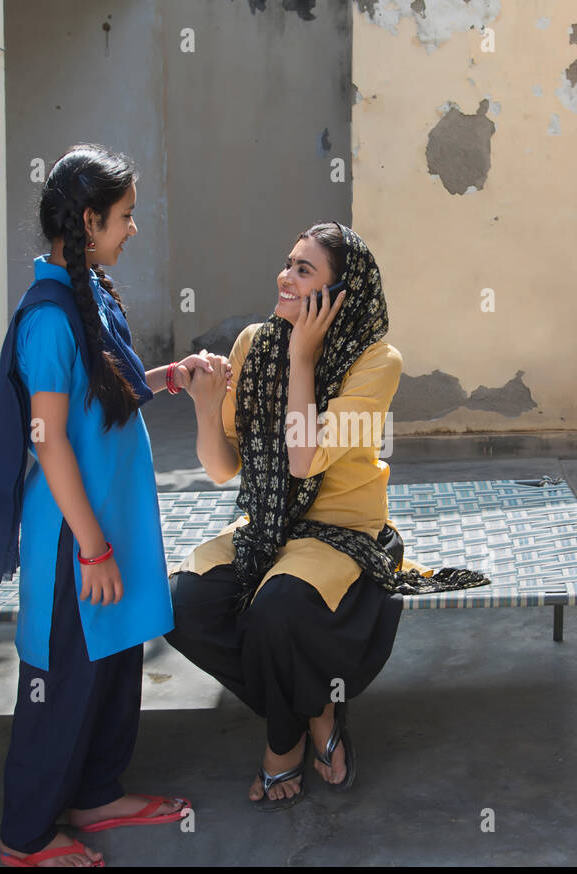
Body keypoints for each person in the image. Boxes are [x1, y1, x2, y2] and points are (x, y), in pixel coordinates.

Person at [0, 143, 229, 866]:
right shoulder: (48, 316)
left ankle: (96, 792)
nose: (133, 229)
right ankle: (25, 836)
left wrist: (172, 376)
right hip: (73, 533)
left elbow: (103, 389)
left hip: (110, 514)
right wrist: (92, 546)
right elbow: (50, 442)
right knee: (62, 676)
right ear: (87, 220)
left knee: (111, 657)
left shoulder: (92, 289)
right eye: (125, 217)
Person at [166, 222, 489, 810]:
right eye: (287, 263)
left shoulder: (376, 361)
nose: (284, 277)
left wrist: (303, 358)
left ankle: (281, 747)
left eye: (303, 270)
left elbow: (303, 457)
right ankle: (315, 706)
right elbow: (220, 469)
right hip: (267, 524)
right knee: (182, 605)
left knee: (275, 611)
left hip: (342, 530)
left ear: (339, 295)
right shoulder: (252, 345)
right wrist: (207, 404)